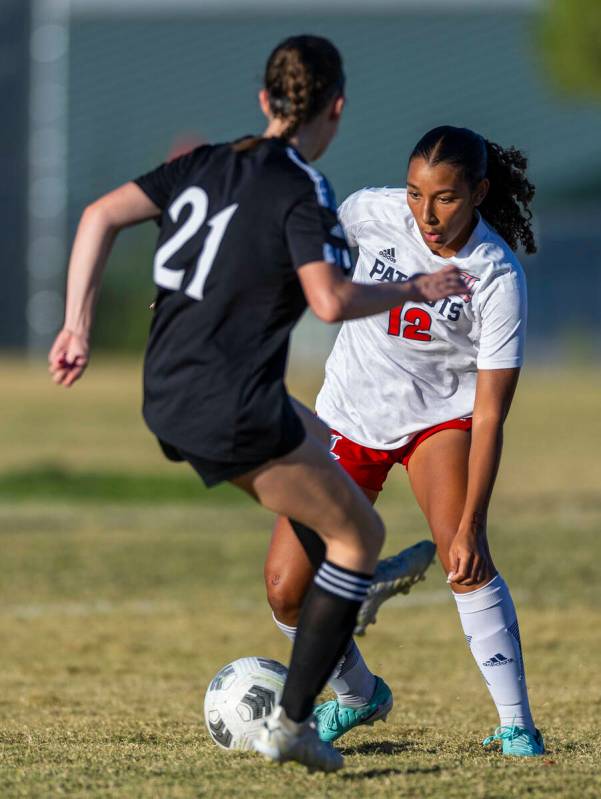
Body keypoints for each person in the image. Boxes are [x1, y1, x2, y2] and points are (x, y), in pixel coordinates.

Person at [48, 38, 467, 772]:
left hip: (168, 387)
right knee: (357, 533)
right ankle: (295, 722)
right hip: (226, 405)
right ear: (334, 108)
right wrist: (413, 288)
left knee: (318, 434)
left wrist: (76, 325)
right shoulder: (303, 187)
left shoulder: (203, 162)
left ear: (264, 101)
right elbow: (329, 300)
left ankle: (346, 594)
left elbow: (96, 216)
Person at [264, 125, 546, 757]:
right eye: (417, 194)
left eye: (445, 198)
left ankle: (517, 726)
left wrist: (473, 522)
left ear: (478, 192)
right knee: (286, 587)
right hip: (348, 416)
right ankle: (359, 693)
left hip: (437, 423)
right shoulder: (370, 211)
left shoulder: (495, 276)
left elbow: (492, 414)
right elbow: (307, 265)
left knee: (462, 557)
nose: (426, 213)